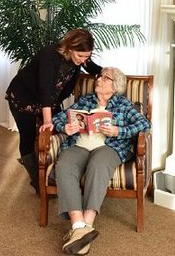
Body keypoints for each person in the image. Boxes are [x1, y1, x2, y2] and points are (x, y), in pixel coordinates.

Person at [52, 67, 151, 255]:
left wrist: (118, 131)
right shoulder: (85, 101)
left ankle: (85, 224)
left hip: (108, 148)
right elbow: (58, 117)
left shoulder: (123, 105)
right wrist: (66, 127)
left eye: (106, 78)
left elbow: (145, 124)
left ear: (115, 87)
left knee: (98, 165)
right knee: (64, 165)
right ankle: (80, 226)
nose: (99, 79)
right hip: (79, 144)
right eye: (100, 76)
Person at [5, 28, 102, 193]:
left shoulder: (81, 56)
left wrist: (111, 76)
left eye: (87, 56)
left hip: (49, 100)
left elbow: (95, 69)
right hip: (24, 98)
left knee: (60, 133)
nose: (83, 60)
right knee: (28, 136)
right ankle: (38, 184)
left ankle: (55, 176)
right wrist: (48, 121)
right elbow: (45, 88)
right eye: (81, 56)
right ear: (70, 48)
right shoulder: (50, 55)